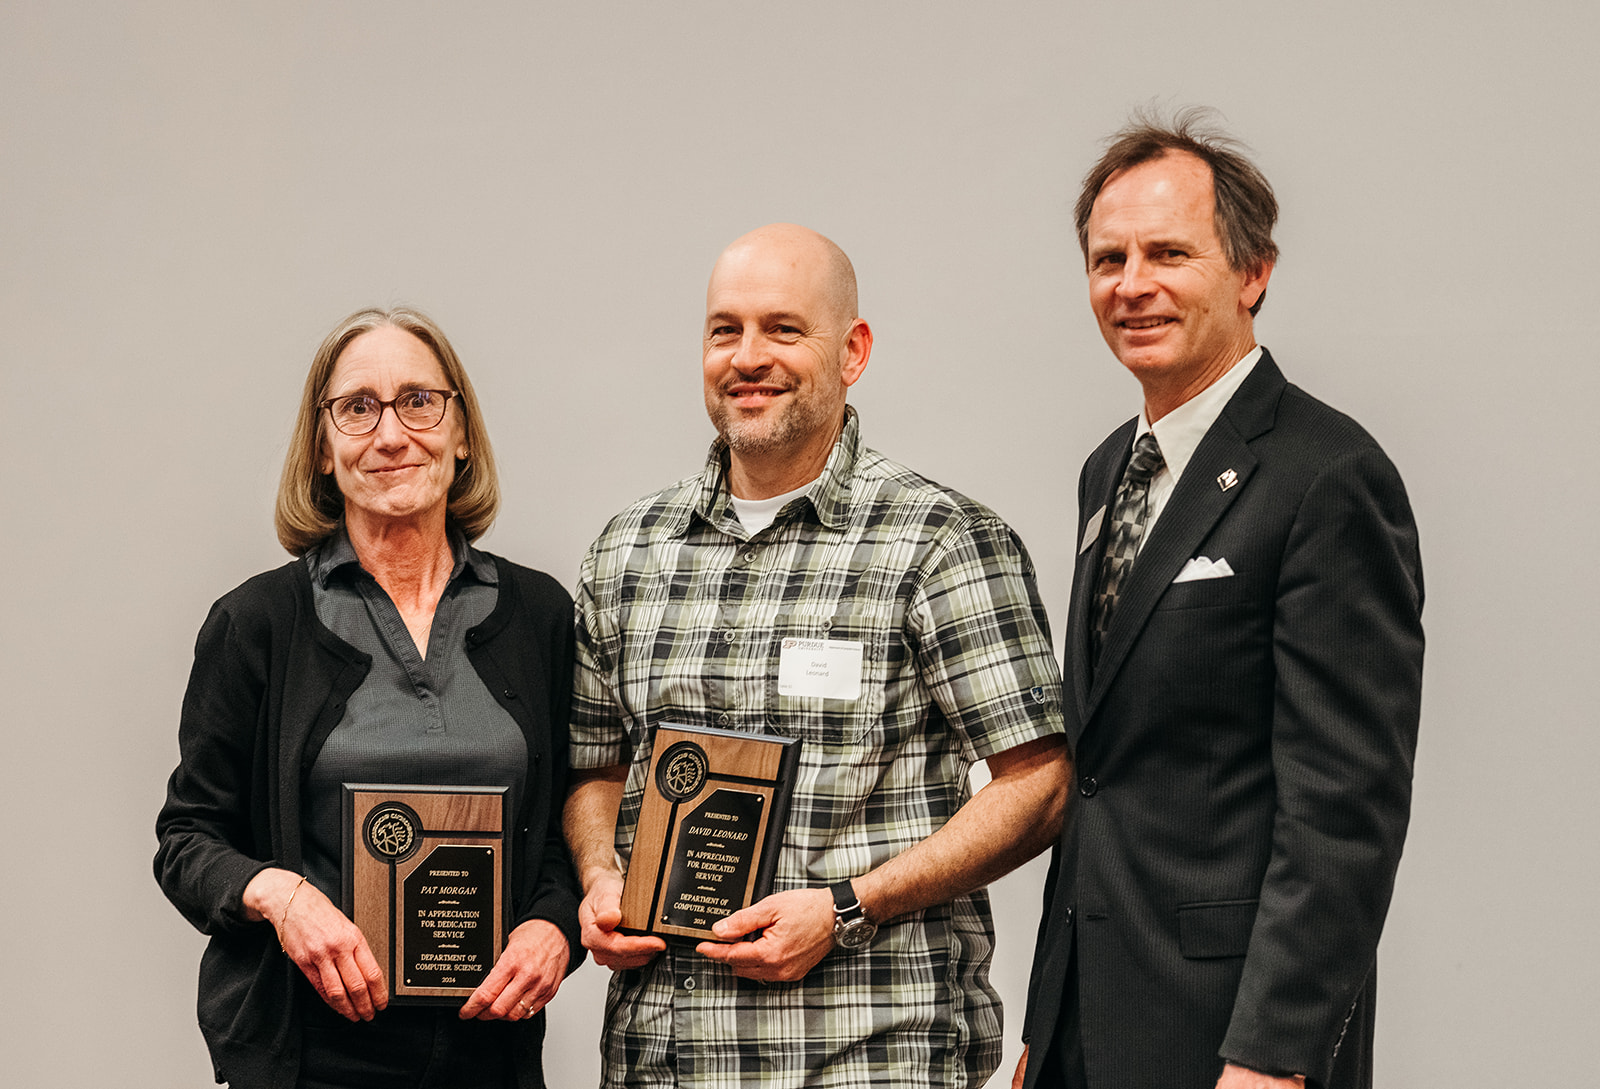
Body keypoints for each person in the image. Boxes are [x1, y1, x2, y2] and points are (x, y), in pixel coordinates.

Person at [564, 223, 1071, 1088]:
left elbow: (1041, 783)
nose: (748, 355)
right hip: (663, 1062)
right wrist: (600, 876)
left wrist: (845, 908)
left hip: (868, 1055)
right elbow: (596, 768)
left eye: (784, 329)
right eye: (726, 329)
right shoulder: (628, 551)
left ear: (853, 350)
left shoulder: (941, 541)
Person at [1015, 111, 1425, 1089]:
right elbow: (1103, 773)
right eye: (1107, 258)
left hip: (1230, 1036)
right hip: (1087, 1018)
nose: (1131, 284)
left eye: (1168, 253)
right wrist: (1045, 1017)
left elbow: (1342, 810)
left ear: (1251, 273)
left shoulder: (1327, 476)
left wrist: (1273, 1058)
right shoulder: (1107, 469)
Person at [155, 307, 582, 1089]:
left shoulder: (541, 615)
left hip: (494, 1052)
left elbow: (564, 827)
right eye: (358, 407)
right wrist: (281, 897)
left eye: (419, 400)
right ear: (322, 447)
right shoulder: (257, 623)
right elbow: (187, 839)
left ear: (461, 433)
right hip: (310, 1055)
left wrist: (556, 928)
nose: (391, 434)